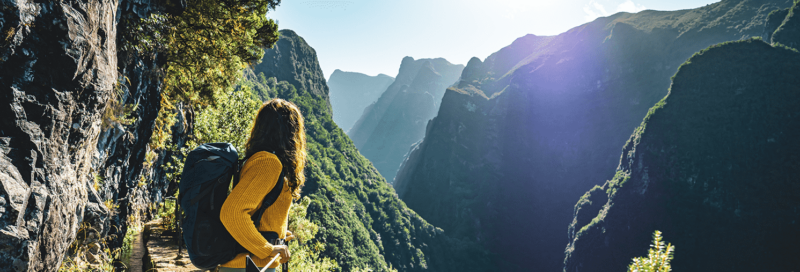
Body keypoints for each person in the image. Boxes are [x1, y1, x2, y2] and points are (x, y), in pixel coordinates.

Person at [218, 98, 307, 272]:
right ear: (290, 132)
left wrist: (278, 232)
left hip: (252, 264)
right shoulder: (268, 163)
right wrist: (268, 248)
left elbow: (257, 209)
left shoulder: (261, 160)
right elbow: (232, 212)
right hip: (248, 265)